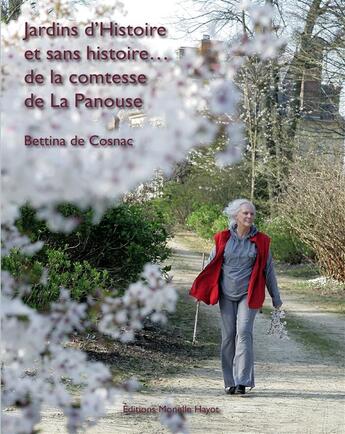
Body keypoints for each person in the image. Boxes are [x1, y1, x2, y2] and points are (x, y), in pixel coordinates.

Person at [189, 198, 283, 395]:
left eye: (252, 213)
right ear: (236, 216)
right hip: (226, 293)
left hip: (248, 294)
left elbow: (268, 270)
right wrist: (202, 290)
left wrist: (276, 297)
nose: (249, 216)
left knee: (244, 333)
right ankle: (229, 381)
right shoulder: (223, 238)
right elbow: (211, 265)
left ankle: (242, 381)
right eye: (245, 213)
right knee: (228, 336)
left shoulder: (261, 241)